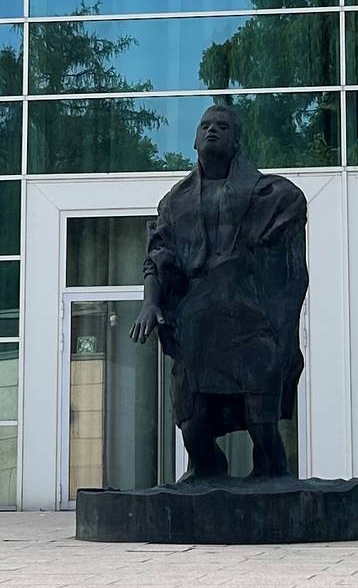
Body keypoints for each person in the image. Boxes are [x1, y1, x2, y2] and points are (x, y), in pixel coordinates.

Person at [130, 103, 310, 480]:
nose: (212, 131)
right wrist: (150, 303)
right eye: (205, 125)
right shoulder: (175, 202)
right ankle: (207, 470)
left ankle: (273, 473)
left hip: (248, 321)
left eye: (222, 127)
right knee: (192, 422)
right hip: (197, 325)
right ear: (195, 140)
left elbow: (288, 222)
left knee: (261, 423)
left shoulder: (269, 193)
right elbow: (158, 258)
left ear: (236, 142)